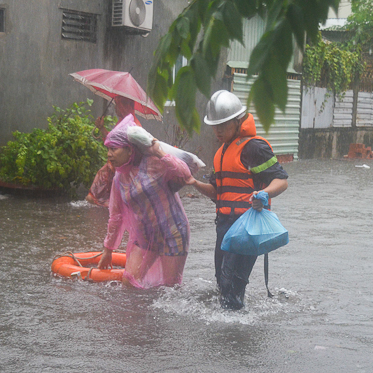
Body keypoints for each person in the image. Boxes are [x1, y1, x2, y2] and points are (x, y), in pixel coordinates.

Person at [186, 90, 289, 310]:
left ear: (237, 121)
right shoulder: (221, 153)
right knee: (222, 284)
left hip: (247, 227)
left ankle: (235, 334)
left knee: (231, 287)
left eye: (223, 125)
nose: (218, 130)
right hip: (224, 226)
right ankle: (232, 331)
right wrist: (193, 183)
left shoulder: (254, 148)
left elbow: (281, 181)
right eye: (215, 125)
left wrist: (264, 195)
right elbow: (217, 193)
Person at [97, 115, 192, 288]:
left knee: (169, 290)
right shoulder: (119, 179)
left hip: (173, 233)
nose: (109, 154)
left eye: (114, 149)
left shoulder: (154, 163)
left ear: (130, 150)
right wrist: (107, 250)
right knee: (129, 282)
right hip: (146, 237)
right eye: (108, 149)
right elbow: (116, 216)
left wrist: (159, 152)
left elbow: (185, 174)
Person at [86, 97, 142, 207]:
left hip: (122, 169)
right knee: (95, 198)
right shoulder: (121, 122)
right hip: (114, 167)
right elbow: (113, 142)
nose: (116, 108)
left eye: (118, 105)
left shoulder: (134, 125)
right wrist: (101, 128)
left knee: (100, 199)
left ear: (125, 106)